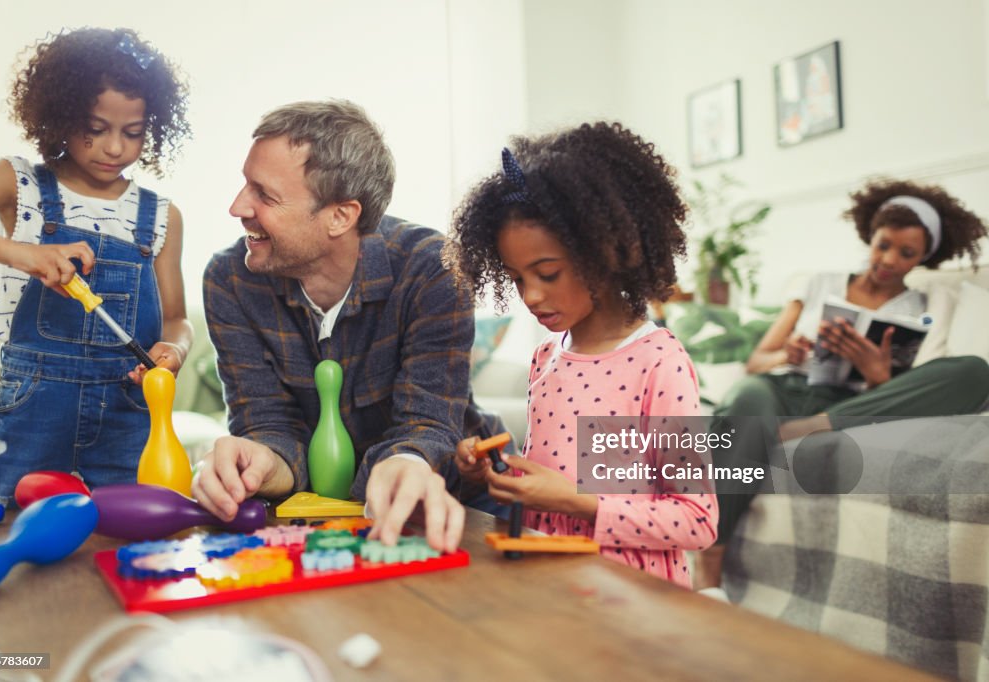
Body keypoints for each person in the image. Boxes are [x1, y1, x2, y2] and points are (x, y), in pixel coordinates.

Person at [192, 100, 505, 552]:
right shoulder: (230, 280)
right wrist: (261, 460)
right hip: (315, 524)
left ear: (341, 215)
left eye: (265, 194)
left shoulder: (432, 269)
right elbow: (266, 424)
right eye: (246, 184)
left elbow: (427, 425)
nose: (237, 206)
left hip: (449, 510)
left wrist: (409, 461)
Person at [445, 123, 718, 587]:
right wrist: (489, 474)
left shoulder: (657, 363)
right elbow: (546, 494)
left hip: (632, 596)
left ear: (606, 255)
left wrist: (575, 499)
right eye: (516, 278)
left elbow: (696, 520)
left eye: (547, 273)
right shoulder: (547, 358)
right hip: (552, 587)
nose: (530, 296)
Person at [696, 179, 989, 589]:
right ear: (871, 236)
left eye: (907, 254)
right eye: (883, 244)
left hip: (845, 407)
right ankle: (713, 551)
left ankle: (808, 428)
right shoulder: (819, 282)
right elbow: (756, 362)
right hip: (783, 390)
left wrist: (876, 373)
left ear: (922, 259)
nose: (889, 259)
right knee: (747, 398)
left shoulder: (918, 309)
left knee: (974, 371)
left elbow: (896, 396)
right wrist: (789, 354)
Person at [0, 28, 193, 504]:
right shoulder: (18, 183)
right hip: (35, 405)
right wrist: (24, 254)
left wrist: (173, 351)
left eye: (132, 133)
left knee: (136, 543)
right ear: (60, 117)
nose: (114, 148)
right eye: (95, 129)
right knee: (13, 537)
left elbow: (177, 317)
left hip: (129, 412)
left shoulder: (160, 216)